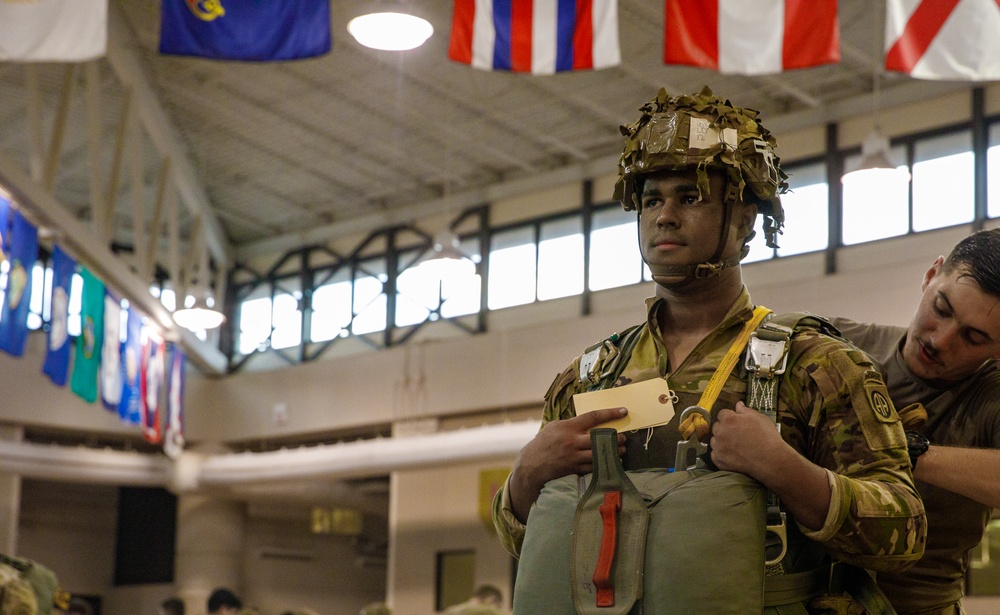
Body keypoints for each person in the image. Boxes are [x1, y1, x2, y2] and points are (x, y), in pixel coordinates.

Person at [492, 86, 927, 612]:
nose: (665, 216)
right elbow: (533, 541)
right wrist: (525, 478)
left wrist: (786, 471)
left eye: (690, 197)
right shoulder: (590, 377)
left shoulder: (815, 364)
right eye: (652, 200)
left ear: (745, 218)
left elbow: (904, 531)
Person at [830, 228, 1000, 615]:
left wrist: (906, 449)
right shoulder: (834, 345)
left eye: (973, 337)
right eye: (941, 309)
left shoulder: (991, 396)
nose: (941, 340)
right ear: (931, 275)